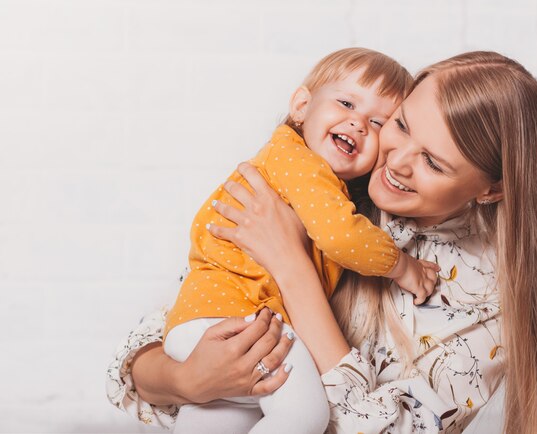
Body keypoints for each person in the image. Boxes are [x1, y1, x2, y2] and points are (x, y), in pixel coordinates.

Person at [107, 51, 537, 434]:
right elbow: (152, 348)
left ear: (491, 190)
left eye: (433, 161)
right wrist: (187, 382)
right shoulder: (330, 189)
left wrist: (292, 265)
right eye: (403, 125)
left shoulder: (487, 299)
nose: (397, 162)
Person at [153, 48, 439, 434]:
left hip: (201, 321)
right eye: (346, 103)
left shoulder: (297, 170)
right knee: (305, 414)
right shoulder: (299, 163)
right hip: (237, 318)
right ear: (302, 106)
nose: (357, 124)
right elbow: (341, 237)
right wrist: (404, 267)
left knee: (219, 417)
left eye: (377, 122)